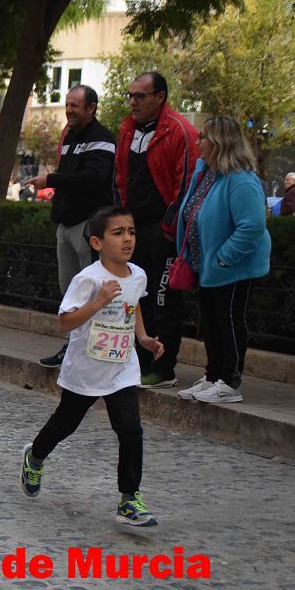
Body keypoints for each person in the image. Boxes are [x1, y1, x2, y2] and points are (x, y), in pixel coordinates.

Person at [20, 206, 164, 527]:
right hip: (85, 370)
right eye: (118, 233)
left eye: (131, 232)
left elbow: (133, 304)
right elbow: (64, 322)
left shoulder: (137, 275)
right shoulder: (88, 279)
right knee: (64, 425)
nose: (127, 239)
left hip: (121, 369)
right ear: (97, 243)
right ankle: (36, 456)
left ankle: (129, 499)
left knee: (130, 430)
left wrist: (143, 338)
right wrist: (97, 301)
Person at [174, 117, 270, 404]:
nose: (198, 142)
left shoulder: (241, 180)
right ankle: (214, 375)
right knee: (211, 322)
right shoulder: (206, 173)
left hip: (231, 267)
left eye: (204, 137)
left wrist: (225, 258)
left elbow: (251, 225)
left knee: (228, 320)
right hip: (206, 264)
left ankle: (230, 380)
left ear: (220, 142)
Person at [114, 71, 199, 389]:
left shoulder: (179, 131)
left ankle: (164, 366)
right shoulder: (127, 129)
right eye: (131, 95)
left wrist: (170, 227)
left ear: (160, 97)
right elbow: (120, 175)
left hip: (162, 231)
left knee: (164, 299)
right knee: (136, 296)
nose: (133, 102)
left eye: (140, 96)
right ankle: (140, 360)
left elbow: (186, 183)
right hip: (133, 226)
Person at [28, 85, 116, 369]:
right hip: (65, 224)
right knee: (70, 292)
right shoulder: (69, 137)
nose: (68, 110)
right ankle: (73, 347)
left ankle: (95, 349)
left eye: (74, 106)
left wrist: (51, 180)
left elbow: (93, 179)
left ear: (91, 108)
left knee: (91, 291)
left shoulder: (102, 139)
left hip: (87, 225)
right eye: (67, 105)